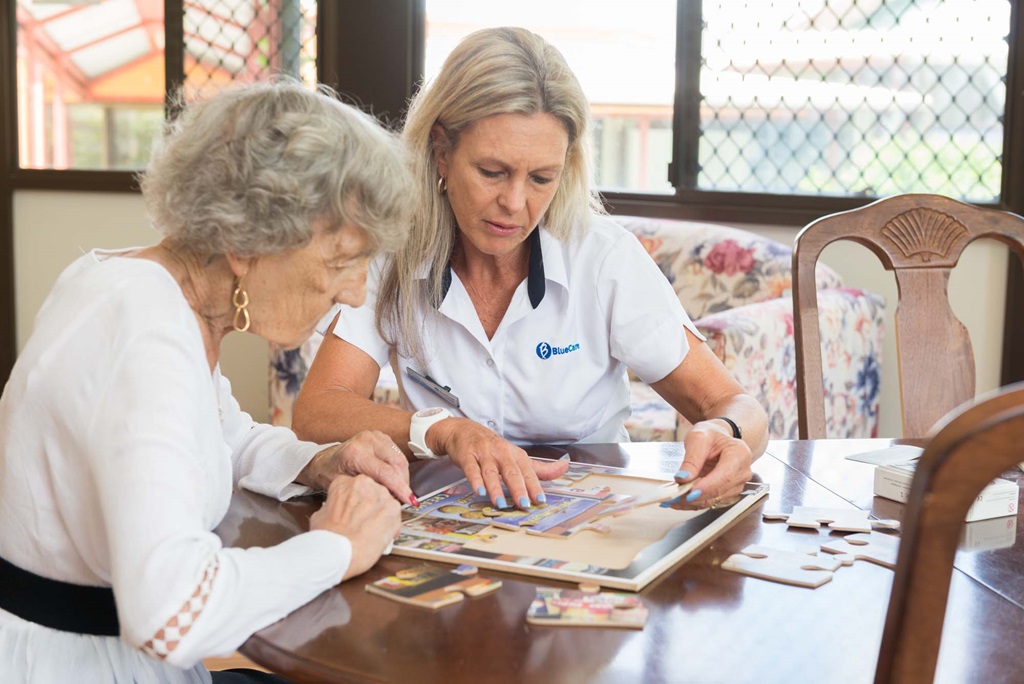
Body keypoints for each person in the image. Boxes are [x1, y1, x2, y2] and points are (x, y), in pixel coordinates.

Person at [0, 80, 415, 683]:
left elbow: (218, 437)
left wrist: (319, 461)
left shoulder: (146, 290)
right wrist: (338, 547)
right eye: (338, 262)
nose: (353, 292)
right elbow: (173, 613)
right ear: (247, 239)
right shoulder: (145, 334)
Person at [293, 27, 769, 514]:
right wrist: (444, 429)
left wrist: (725, 433)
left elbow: (738, 407)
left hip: (589, 523)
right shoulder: (393, 253)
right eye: (492, 172)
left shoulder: (604, 259)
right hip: (447, 518)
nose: (515, 204)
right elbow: (317, 409)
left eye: (542, 178)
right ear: (441, 150)